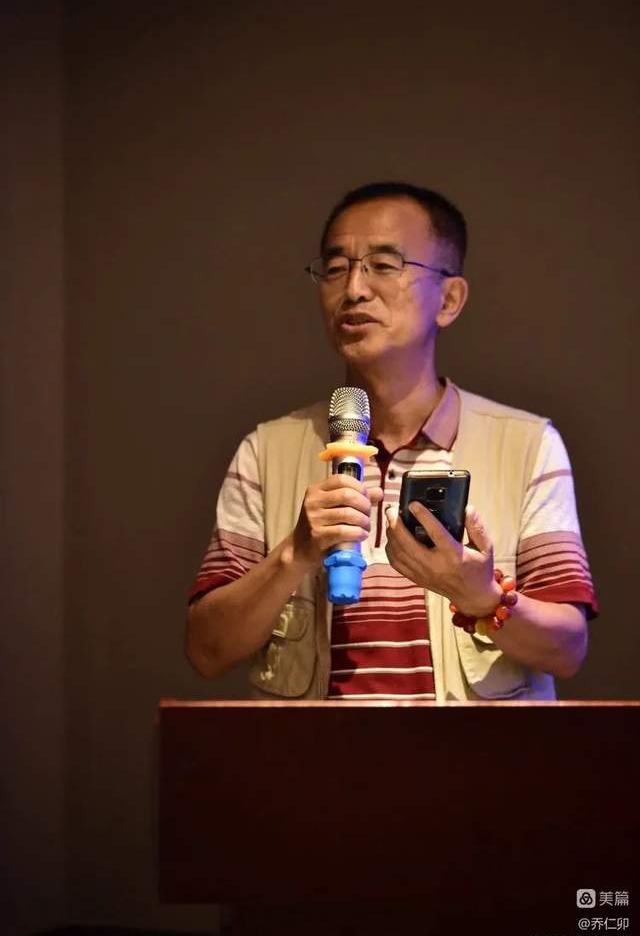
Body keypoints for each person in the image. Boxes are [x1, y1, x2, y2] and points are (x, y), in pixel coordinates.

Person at [186, 181, 597, 701]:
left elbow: (567, 650)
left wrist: (482, 599)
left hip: (477, 754)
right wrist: (295, 554)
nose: (354, 289)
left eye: (383, 265)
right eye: (335, 268)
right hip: (311, 753)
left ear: (449, 299)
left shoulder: (528, 445)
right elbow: (207, 650)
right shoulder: (266, 452)